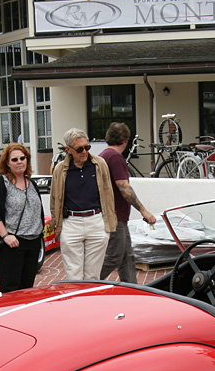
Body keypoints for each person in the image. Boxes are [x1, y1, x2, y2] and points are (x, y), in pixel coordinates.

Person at [50, 128, 116, 281]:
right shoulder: (60, 169)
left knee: (93, 275)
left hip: (96, 221)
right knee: (74, 276)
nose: (84, 152)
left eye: (87, 147)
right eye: (79, 149)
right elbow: (55, 199)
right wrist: (56, 222)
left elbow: (109, 192)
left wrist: (108, 222)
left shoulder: (99, 164)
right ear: (69, 150)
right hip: (71, 222)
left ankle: (91, 304)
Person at [98, 122, 156, 284]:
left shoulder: (104, 155)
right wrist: (144, 211)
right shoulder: (115, 158)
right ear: (125, 140)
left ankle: (133, 290)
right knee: (114, 256)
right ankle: (85, 283)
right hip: (115, 217)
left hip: (116, 216)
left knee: (127, 257)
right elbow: (124, 187)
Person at [0, 143, 45, 293]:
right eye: (14, 159)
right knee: (10, 289)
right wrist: (6, 236)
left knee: (27, 289)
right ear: (7, 163)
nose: (19, 162)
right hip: (13, 243)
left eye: (22, 158)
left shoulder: (31, 184)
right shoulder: (1, 183)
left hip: (33, 243)